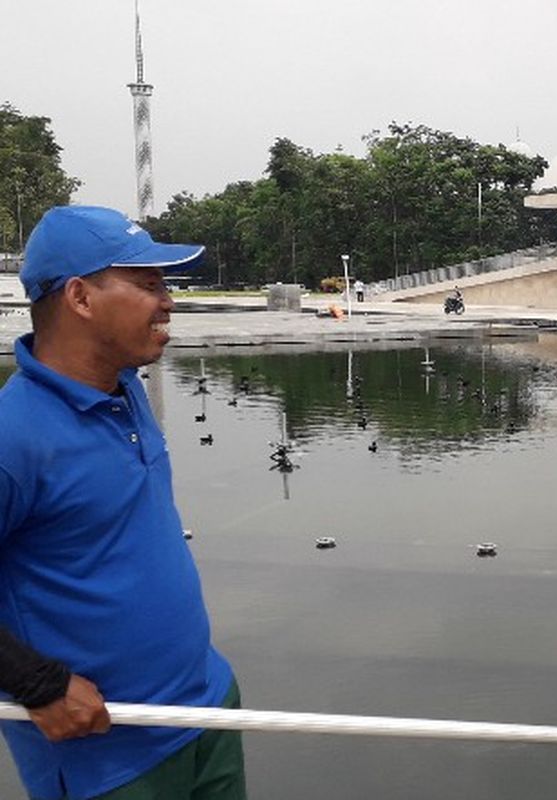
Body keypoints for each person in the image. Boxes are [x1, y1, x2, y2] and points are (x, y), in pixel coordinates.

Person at [0, 206, 245, 799]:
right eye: (147, 284)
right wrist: (37, 683)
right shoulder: (14, 436)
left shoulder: (122, 384)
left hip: (207, 706)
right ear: (80, 297)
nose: (168, 302)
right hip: (109, 754)